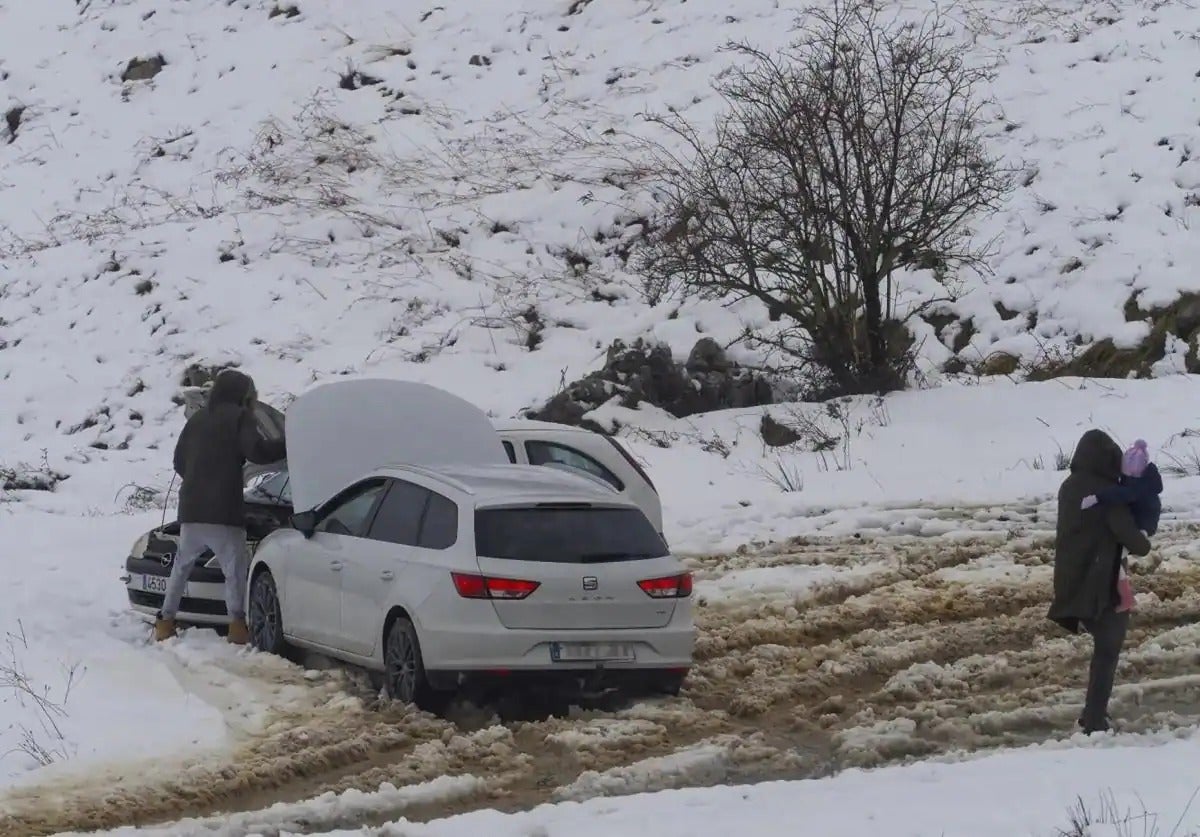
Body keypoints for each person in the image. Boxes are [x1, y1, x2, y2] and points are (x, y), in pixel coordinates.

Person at [156, 369, 287, 644]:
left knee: (181, 567)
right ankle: (237, 627)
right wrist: (288, 444)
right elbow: (257, 452)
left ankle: (165, 623)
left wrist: (197, 480)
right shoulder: (240, 417)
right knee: (234, 572)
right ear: (243, 395)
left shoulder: (197, 419)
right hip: (224, 512)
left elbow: (179, 461)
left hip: (191, 510)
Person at [1049, 429, 1152, 735]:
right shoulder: (1107, 495)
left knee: (1103, 644)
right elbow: (1136, 542)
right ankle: (1094, 720)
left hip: (1072, 577)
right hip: (1100, 584)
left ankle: (1094, 716)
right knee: (1108, 648)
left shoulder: (1069, 487)